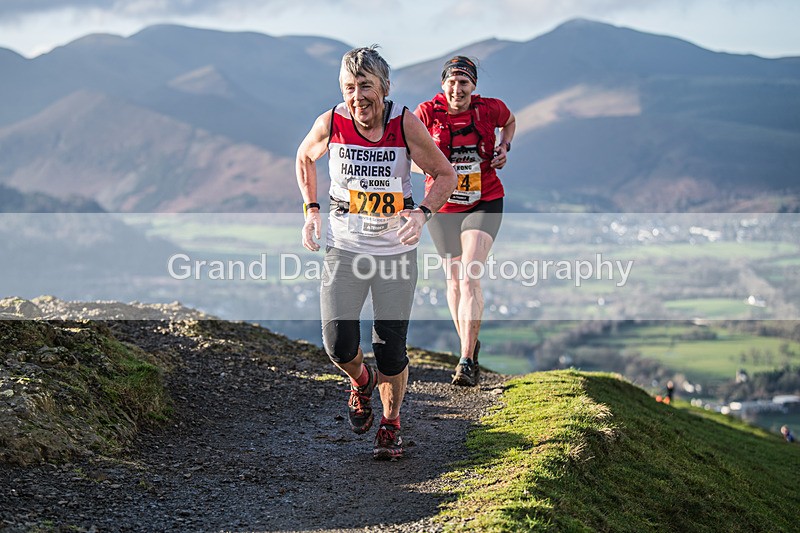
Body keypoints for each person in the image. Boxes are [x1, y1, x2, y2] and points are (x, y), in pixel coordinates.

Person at [296, 46, 456, 460]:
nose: (357, 96)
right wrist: (311, 210)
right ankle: (361, 381)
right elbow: (304, 157)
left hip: (394, 253)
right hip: (345, 248)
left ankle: (390, 423)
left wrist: (422, 213)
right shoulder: (332, 122)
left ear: (384, 88)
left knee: (390, 349)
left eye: (365, 86)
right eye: (349, 87)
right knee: (337, 344)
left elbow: (445, 174)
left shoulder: (404, 124)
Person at [414, 56, 516, 386]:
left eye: (464, 83)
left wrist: (504, 146)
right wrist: (430, 167)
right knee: (454, 281)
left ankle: (466, 360)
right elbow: (407, 152)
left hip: (484, 200)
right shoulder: (426, 114)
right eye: (452, 82)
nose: (457, 89)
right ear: (442, 84)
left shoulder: (490, 109)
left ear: (474, 86)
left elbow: (510, 121)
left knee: (470, 274)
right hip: (442, 205)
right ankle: (468, 346)